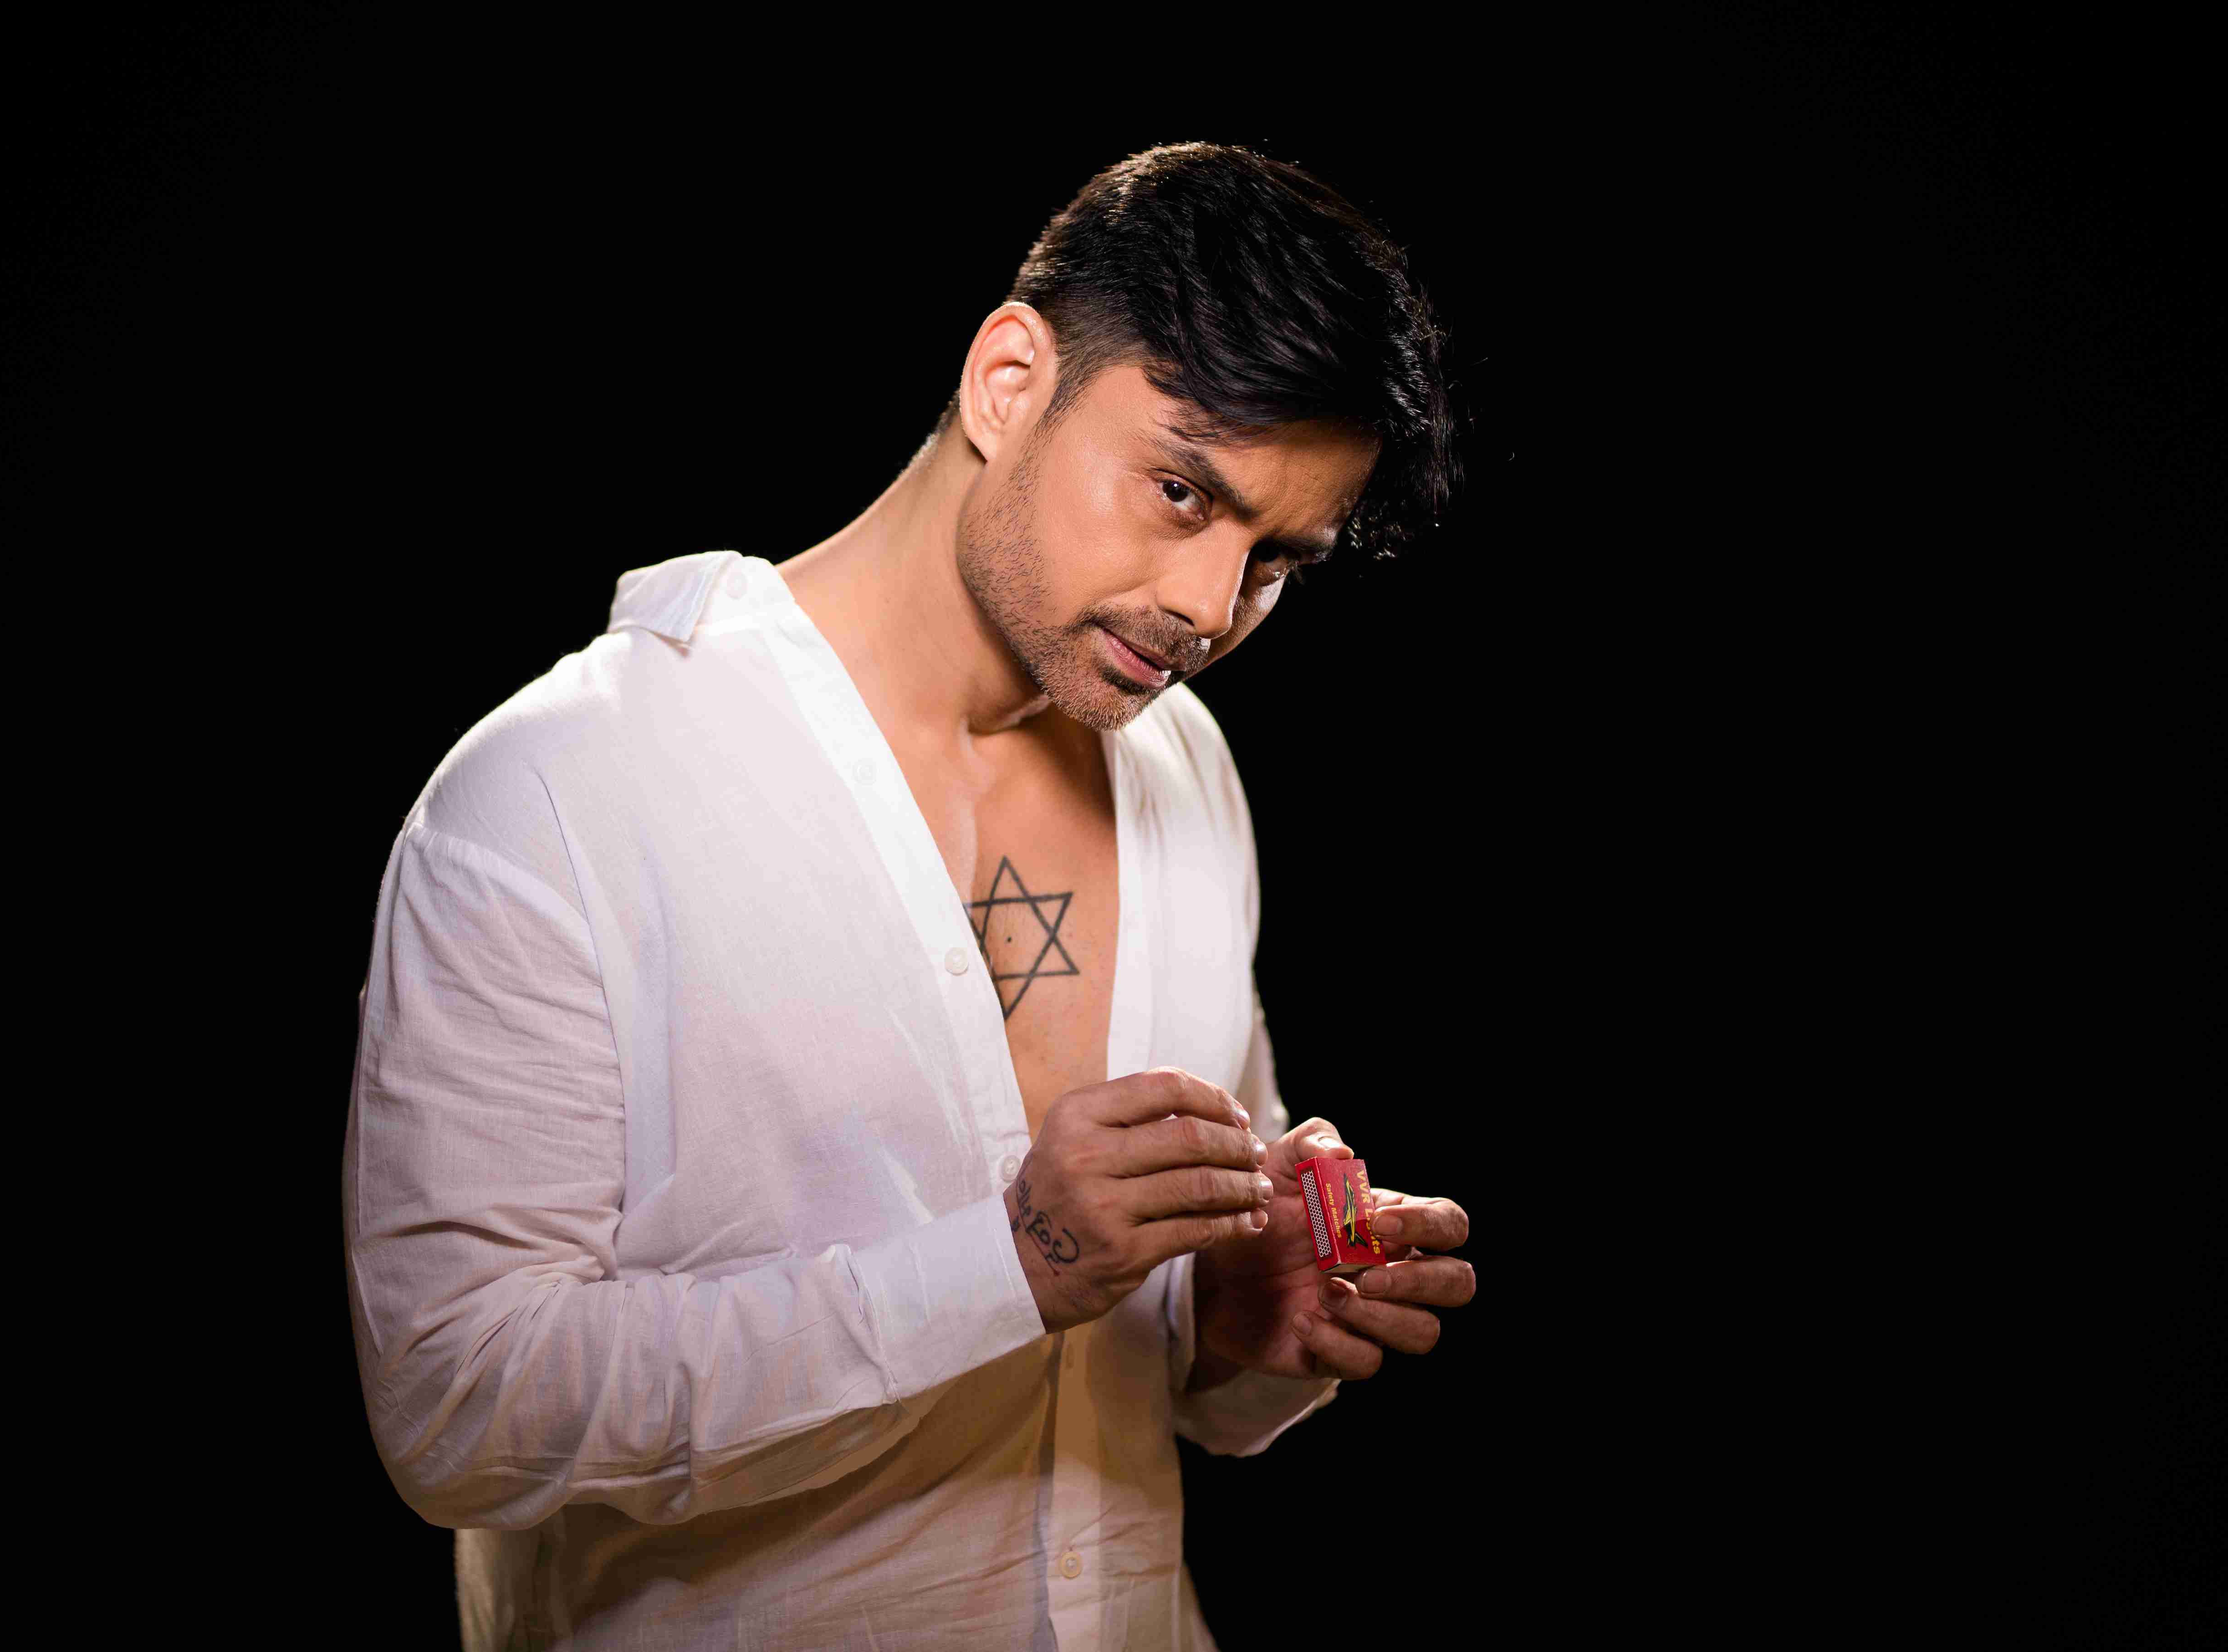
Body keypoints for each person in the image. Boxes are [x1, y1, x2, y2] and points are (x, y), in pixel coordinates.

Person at [343, 141, 1478, 1651]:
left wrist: (1224, 1322)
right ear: (1008, 382)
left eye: (1273, 561)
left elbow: (1151, 1355)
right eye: (1179, 491)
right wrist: (1007, 1263)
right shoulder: (563, 786)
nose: (1208, 607)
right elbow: (456, 1406)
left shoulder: (1184, 763)